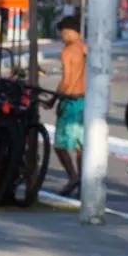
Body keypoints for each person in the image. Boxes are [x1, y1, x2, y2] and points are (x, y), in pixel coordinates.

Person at [54, 15, 86, 197]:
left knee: (60, 145)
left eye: (63, 33)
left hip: (71, 101)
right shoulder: (86, 48)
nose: (62, 37)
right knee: (81, 146)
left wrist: (54, 100)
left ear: (70, 32)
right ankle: (82, 179)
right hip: (87, 101)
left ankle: (73, 177)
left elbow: (66, 80)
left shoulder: (68, 51)